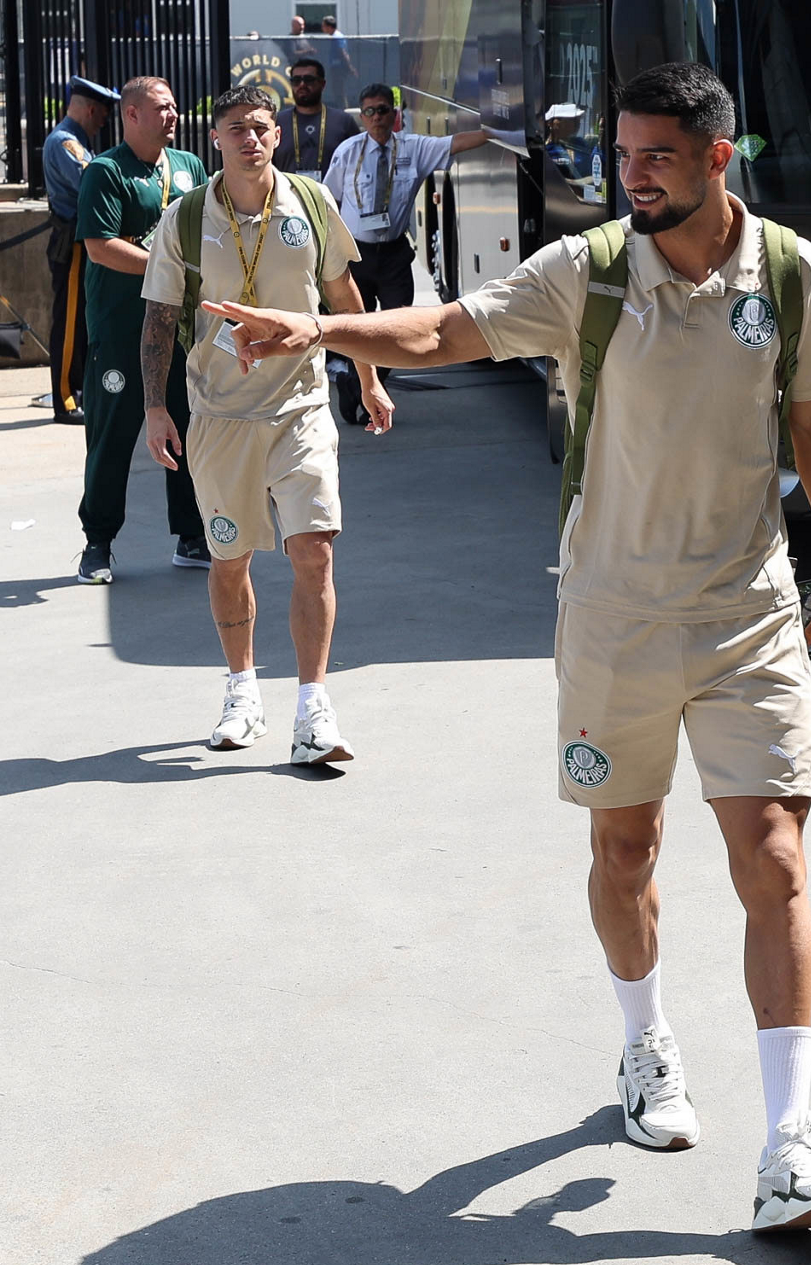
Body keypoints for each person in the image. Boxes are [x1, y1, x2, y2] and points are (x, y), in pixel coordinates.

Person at [206, 61, 811, 1231]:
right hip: (613, 613)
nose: (632, 175)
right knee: (625, 848)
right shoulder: (589, 271)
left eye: (657, 156)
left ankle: (791, 1140)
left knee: (772, 857)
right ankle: (643, 1041)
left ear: (717, 158)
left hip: (747, 611)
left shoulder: (786, 272)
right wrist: (320, 328)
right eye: (624, 154)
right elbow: (444, 328)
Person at [140, 85, 393, 765]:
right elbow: (159, 320)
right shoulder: (185, 219)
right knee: (230, 559)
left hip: (300, 407)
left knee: (314, 551)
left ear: (276, 135)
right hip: (220, 416)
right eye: (236, 129)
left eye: (260, 127)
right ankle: (242, 691)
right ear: (214, 138)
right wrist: (156, 407)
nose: (249, 139)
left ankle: (314, 710)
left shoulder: (310, 202)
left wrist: (368, 377)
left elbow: (343, 297)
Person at [74, 76, 209, 585]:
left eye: (174, 106)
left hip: (179, 330)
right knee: (112, 436)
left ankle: (192, 535)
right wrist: (167, 267)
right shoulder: (106, 171)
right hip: (120, 328)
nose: (172, 114)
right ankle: (98, 543)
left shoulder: (189, 165)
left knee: (188, 429)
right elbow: (101, 247)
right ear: (131, 114)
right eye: (161, 107)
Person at [322, 82, 489, 416]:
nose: (376, 117)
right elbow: (328, 200)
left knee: (398, 327)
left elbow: (455, 143)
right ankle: (358, 385)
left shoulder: (413, 148)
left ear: (394, 114)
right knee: (356, 327)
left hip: (394, 256)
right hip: (356, 255)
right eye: (369, 111)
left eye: (383, 110)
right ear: (362, 117)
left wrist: (499, 132)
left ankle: (363, 386)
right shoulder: (348, 152)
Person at [42, 76, 119, 425]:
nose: (104, 121)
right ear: (90, 110)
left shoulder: (75, 140)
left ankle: (79, 390)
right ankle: (65, 399)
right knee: (69, 324)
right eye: (103, 113)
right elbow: (92, 182)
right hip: (72, 243)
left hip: (80, 241)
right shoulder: (66, 143)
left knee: (82, 323)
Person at [273, 57, 359, 181]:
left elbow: (357, 165)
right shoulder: (277, 122)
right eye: (296, 80)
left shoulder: (343, 122)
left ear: (322, 84)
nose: (302, 85)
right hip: (288, 192)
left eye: (309, 80)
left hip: (330, 193)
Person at [320, 16, 356, 108]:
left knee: (339, 90)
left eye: (323, 26)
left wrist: (349, 67)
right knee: (337, 89)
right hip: (336, 67)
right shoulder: (335, 36)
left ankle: (343, 108)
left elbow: (342, 52)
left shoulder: (337, 37)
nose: (322, 28)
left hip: (338, 68)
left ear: (329, 26)